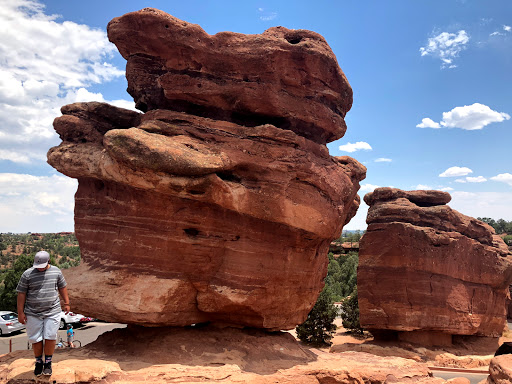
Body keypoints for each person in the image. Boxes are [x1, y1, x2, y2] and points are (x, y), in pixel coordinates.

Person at [16, 251, 70, 377]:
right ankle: (39, 362)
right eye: (37, 266)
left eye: (42, 266)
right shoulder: (27, 274)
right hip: (33, 312)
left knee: (50, 336)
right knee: (36, 338)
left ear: (49, 261)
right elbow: (21, 293)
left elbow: (62, 287)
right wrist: (20, 312)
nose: (39, 269)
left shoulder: (56, 271)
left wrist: (67, 303)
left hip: (53, 311)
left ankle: (48, 363)